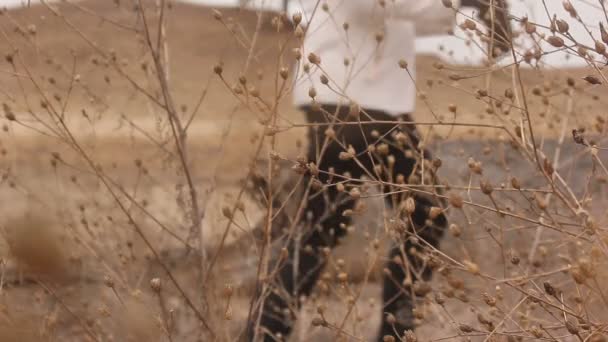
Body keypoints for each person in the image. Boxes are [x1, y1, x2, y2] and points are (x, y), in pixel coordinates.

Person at [248, 0, 510, 341]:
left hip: (355, 96)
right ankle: (394, 333)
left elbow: (407, 18)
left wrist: (471, 10)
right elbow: (376, 7)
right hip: (354, 98)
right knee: (423, 213)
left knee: (322, 224)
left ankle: (263, 333)